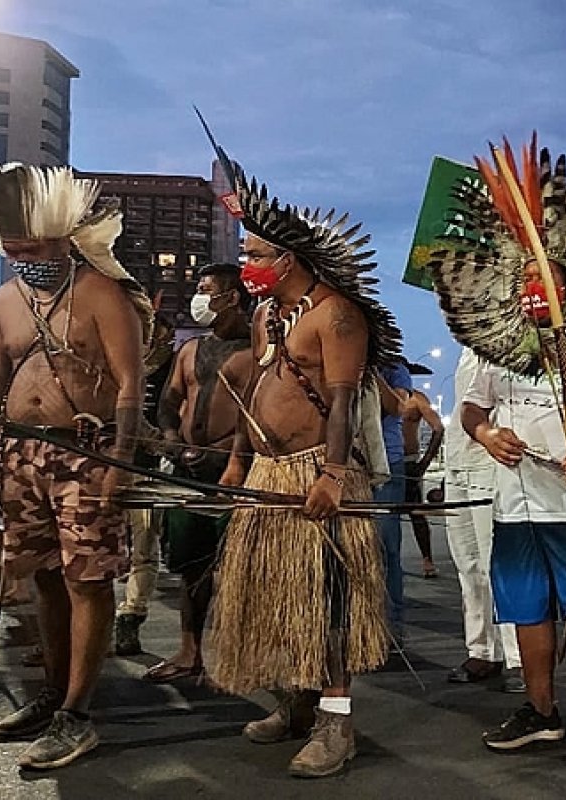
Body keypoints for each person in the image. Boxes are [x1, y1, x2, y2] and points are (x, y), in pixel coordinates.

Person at [431, 140, 566, 763]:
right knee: (527, 614)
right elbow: (470, 409)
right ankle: (542, 711)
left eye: (546, 279)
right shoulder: (497, 347)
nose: (536, 290)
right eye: (527, 280)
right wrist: (488, 434)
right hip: (515, 507)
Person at [202, 134, 400, 779]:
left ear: (288, 259)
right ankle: (293, 701)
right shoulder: (266, 317)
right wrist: (237, 460)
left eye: (257, 254)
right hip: (265, 474)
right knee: (276, 597)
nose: (249, 264)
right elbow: (258, 392)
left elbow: (342, 402)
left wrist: (335, 474)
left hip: (317, 473)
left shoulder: (338, 316)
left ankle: (335, 723)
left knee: (331, 601)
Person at [0, 163, 153, 769]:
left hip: (86, 453)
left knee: (86, 579)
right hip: (20, 454)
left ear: (62, 240)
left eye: (34, 248)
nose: (25, 259)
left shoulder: (101, 294)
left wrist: (120, 463)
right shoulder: (2, 302)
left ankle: (77, 712)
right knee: (41, 575)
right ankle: (51, 694)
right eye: (14, 250)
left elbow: (131, 383)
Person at [144, 263, 252, 682]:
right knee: (191, 568)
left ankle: (238, 656)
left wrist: (229, 453)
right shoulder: (189, 350)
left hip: (234, 474)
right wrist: (172, 438)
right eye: (200, 289)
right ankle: (190, 653)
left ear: (232, 297)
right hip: (188, 474)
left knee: (239, 568)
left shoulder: (256, 351)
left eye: (207, 290)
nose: (200, 298)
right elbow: (169, 403)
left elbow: (257, 414)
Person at [443, 347, 523, 692]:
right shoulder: (466, 351)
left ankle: (520, 657)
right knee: (467, 564)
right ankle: (482, 650)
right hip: (457, 460)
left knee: (498, 565)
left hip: (490, 462)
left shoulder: (508, 344)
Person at [113, 313, 175, 656]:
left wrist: (164, 440)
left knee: (144, 546)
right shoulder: (108, 360)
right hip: (103, 467)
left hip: (147, 470)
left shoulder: (172, 365)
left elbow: (171, 412)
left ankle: (131, 615)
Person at [375, 360, 412, 635]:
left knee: (387, 547)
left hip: (386, 464)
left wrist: (371, 372)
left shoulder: (395, 368)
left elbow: (398, 406)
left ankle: (392, 624)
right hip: (346, 466)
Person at [401, 386, 444, 578]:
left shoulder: (416, 399)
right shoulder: (375, 392)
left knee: (417, 514)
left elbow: (438, 428)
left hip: (409, 462)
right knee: (383, 518)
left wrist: (424, 463)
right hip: (381, 461)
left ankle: (427, 558)